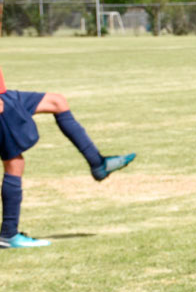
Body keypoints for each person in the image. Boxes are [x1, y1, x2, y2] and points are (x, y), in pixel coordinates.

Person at [0, 66, 135, 248]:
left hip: (5, 95)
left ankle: (97, 164)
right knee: (14, 163)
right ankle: (9, 233)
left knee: (57, 102)